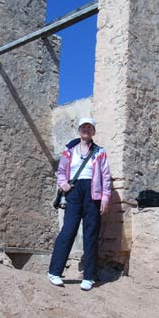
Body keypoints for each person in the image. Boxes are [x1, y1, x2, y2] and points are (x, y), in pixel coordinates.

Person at [48, 117, 111, 291]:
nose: (86, 130)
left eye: (90, 127)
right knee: (68, 231)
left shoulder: (100, 152)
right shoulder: (69, 151)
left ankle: (89, 276)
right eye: (84, 127)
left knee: (91, 234)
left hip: (93, 192)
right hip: (74, 191)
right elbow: (61, 171)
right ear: (79, 130)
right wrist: (63, 184)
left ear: (93, 132)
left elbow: (105, 176)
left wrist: (105, 197)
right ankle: (54, 272)